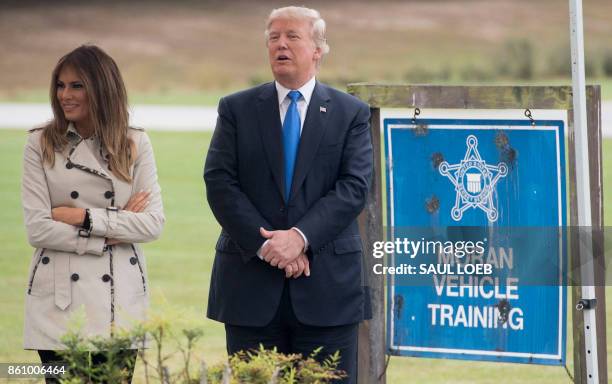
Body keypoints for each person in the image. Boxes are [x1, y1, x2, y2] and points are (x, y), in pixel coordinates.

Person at [204, 6, 372, 383]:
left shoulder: (350, 114)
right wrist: (268, 246)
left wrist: (299, 238)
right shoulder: (236, 109)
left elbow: (354, 186)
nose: (280, 44)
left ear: (318, 49)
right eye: (273, 36)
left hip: (328, 291)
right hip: (251, 289)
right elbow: (219, 182)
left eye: (292, 36)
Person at [21, 45, 165, 383]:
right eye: (60, 85)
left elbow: (152, 223)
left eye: (77, 85)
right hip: (58, 302)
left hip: (119, 299)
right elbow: (37, 230)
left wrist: (82, 217)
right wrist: (110, 232)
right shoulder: (40, 143)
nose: (65, 95)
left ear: (102, 88)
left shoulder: (135, 142)